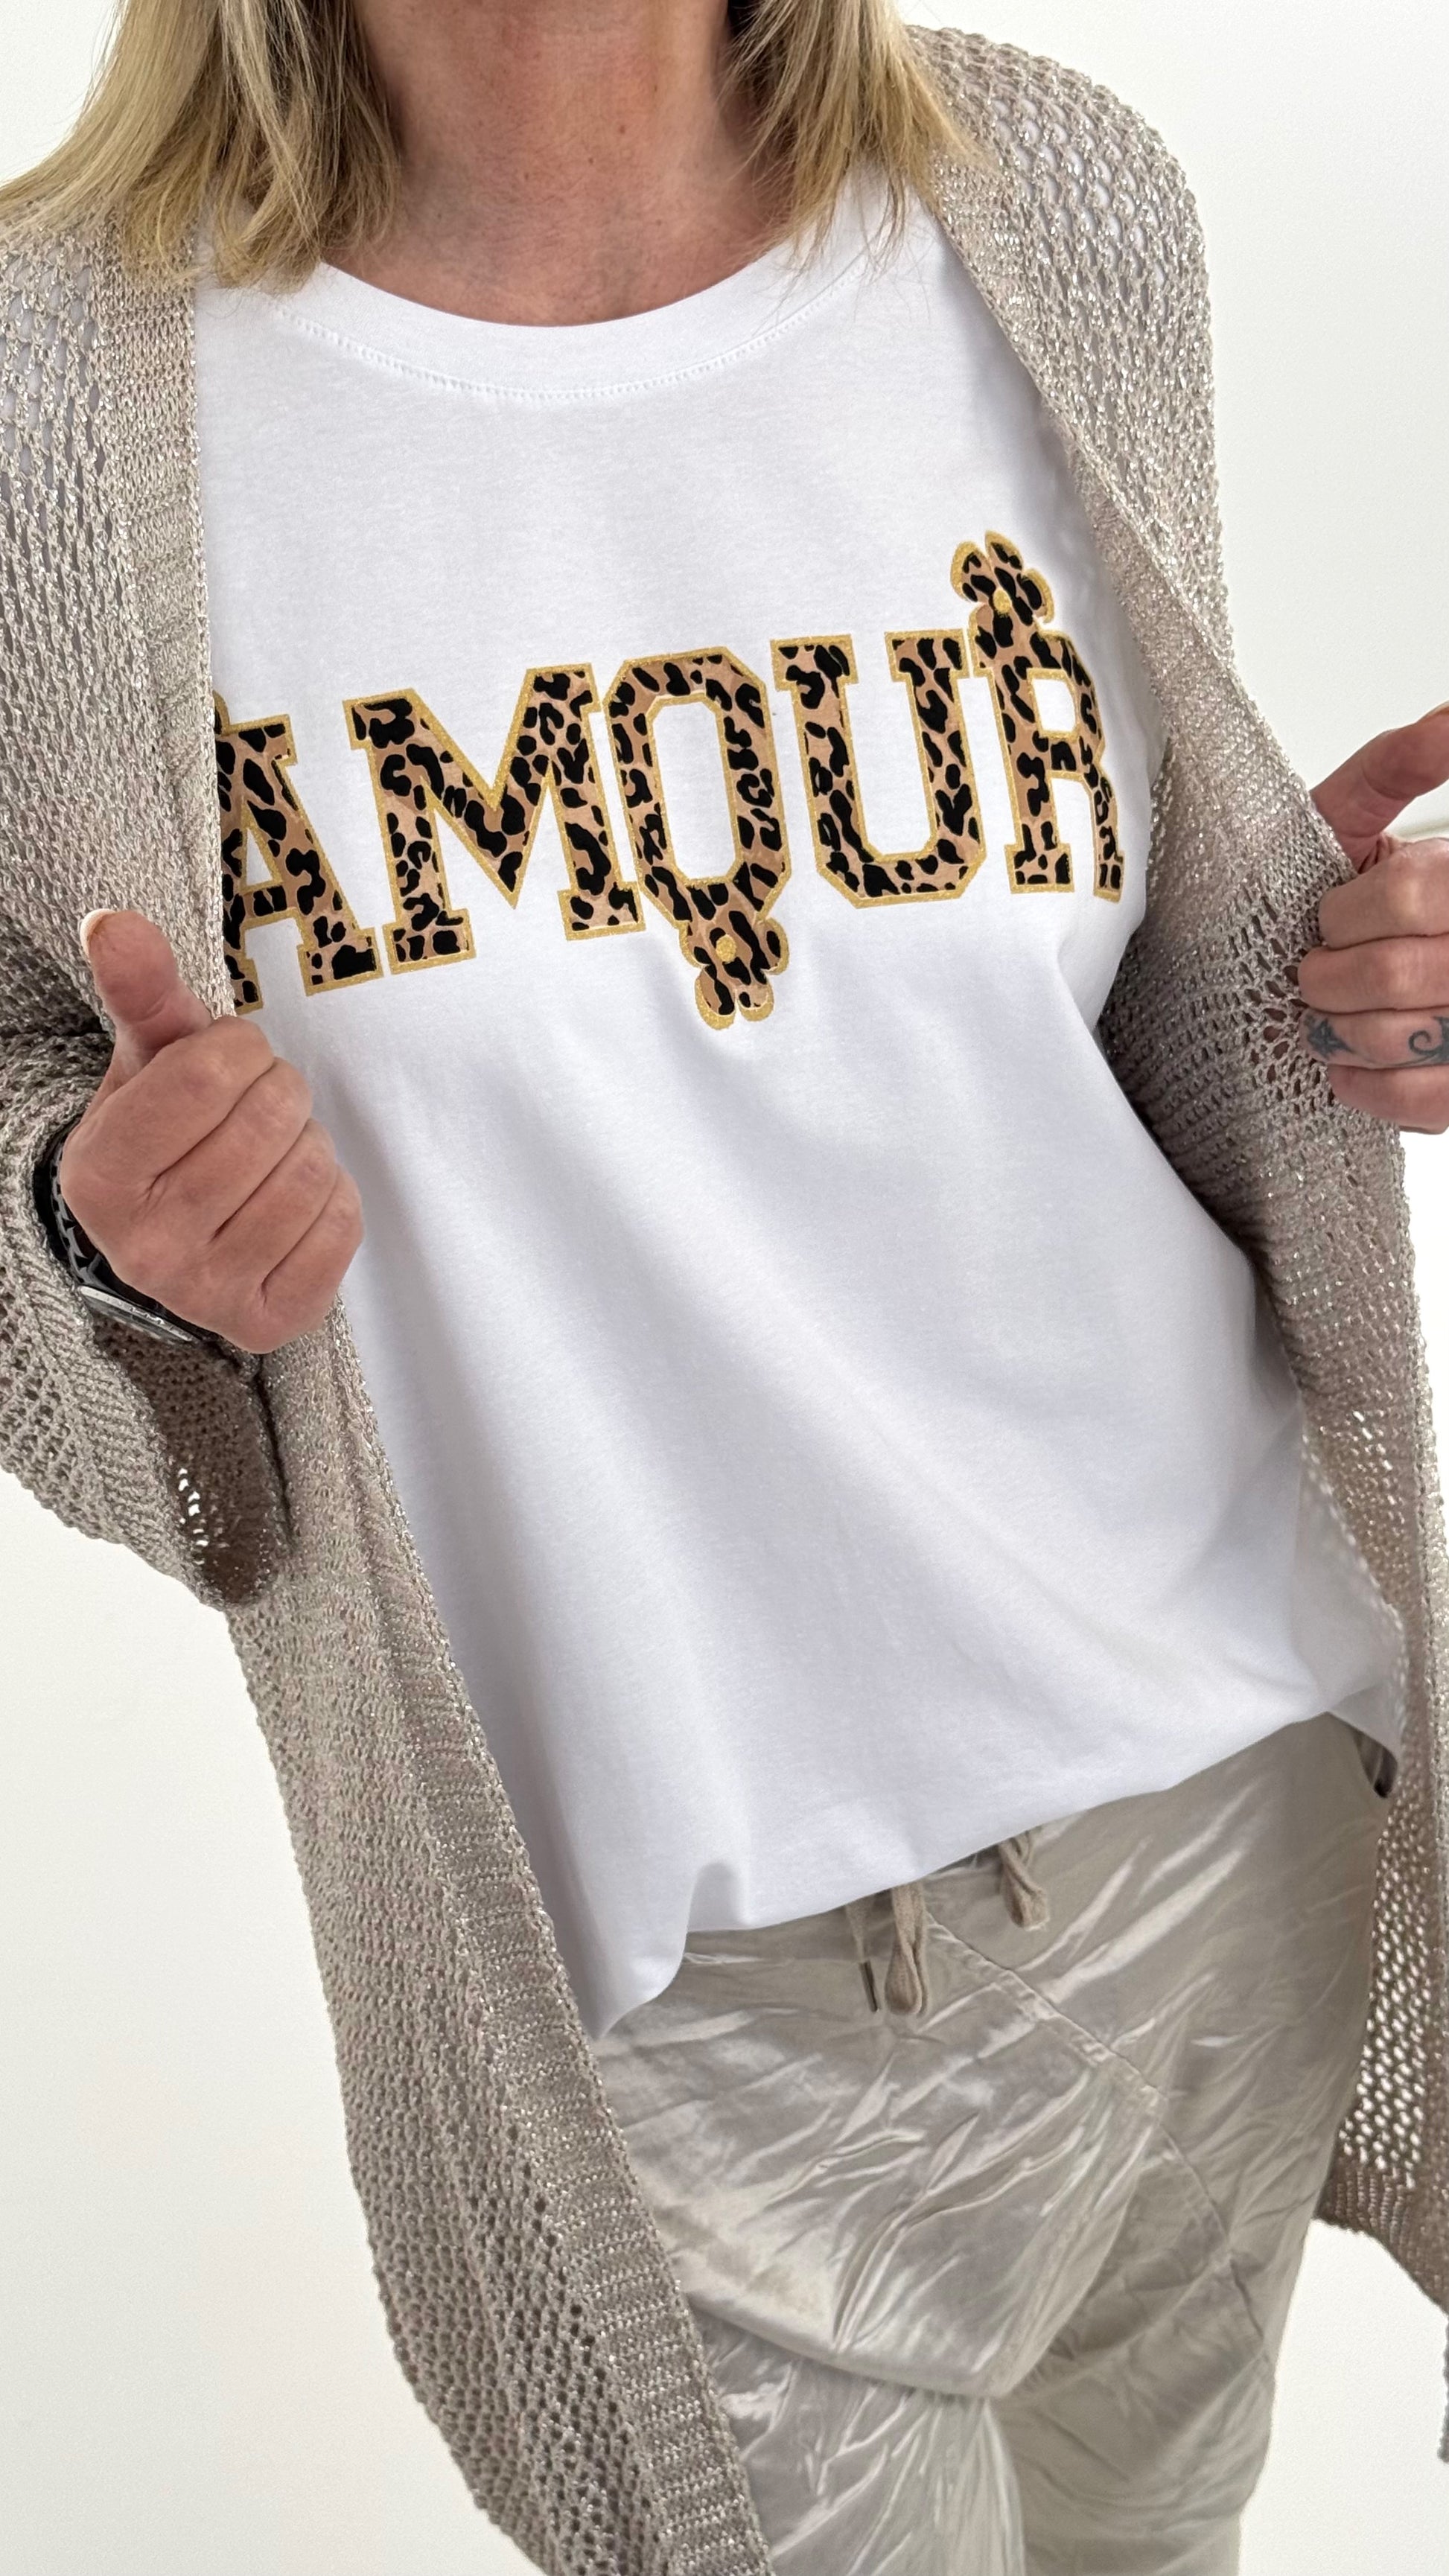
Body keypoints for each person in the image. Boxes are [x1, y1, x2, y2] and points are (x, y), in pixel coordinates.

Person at [1, 4, 1447, 2569]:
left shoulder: (1047, 198)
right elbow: (42, 1136)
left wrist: (1337, 982)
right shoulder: (50, 391)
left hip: (1225, 1803)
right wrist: (96, 1238)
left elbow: (1100, 1001)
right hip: (670, 1983)